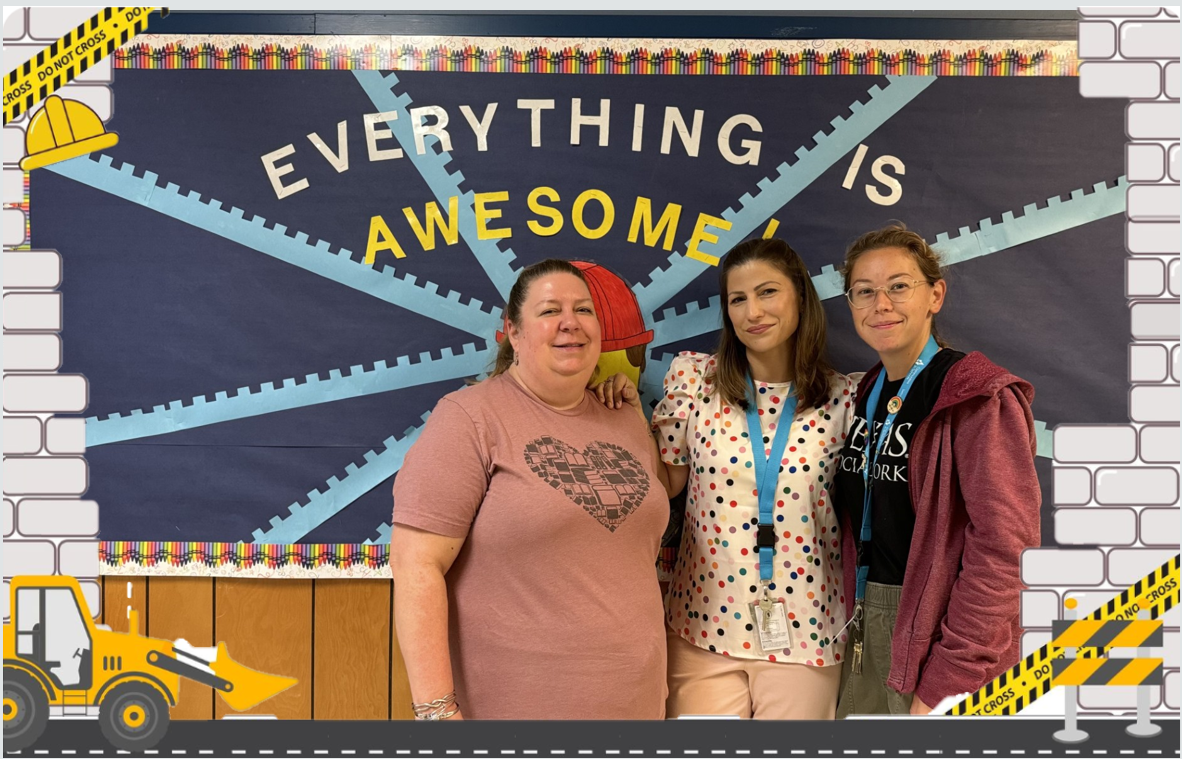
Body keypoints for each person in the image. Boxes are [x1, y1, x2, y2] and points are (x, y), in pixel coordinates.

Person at [389, 258, 670, 720]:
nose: (570, 323)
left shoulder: (625, 417)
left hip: (635, 706)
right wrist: (436, 713)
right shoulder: (468, 418)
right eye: (549, 310)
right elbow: (416, 566)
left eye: (584, 310)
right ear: (514, 331)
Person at [599, 238, 858, 719]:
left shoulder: (845, 400)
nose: (752, 311)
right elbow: (665, 485)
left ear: (799, 297)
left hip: (806, 634)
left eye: (767, 293)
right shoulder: (696, 381)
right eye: (738, 299)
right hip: (702, 626)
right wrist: (630, 416)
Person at [832, 224, 1040, 716]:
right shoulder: (870, 391)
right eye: (865, 291)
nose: (881, 304)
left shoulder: (977, 397)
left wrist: (952, 678)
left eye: (899, 286)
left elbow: (1005, 549)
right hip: (866, 623)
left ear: (935, 295)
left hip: (939, 638)